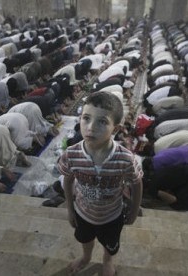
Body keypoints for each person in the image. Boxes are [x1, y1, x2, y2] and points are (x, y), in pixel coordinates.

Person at [57, 91, 143, 276]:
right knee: (85, 239)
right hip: (82, 212)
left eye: (102, 121)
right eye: (86, 118)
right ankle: (86, 257)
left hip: (112, 215)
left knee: (110, 245)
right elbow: (68, 179)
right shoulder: (71, 154)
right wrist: (70, 209)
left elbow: (136, 183)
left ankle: (107, 260)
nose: (90, 127)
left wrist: (134, 211)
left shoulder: (125, 159)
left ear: (116, 129)